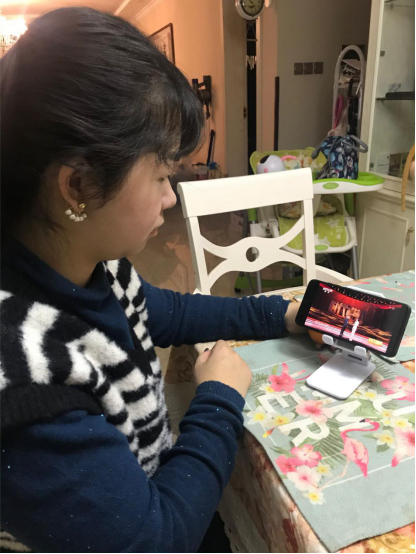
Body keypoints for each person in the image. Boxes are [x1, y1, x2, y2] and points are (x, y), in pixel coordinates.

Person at [0, 8, 305, 554]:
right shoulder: (27, 379)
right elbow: (155, 540)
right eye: (162, 175)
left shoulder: (92, 263)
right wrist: (217, 399)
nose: (171, 197)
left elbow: (171, 313)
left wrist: (282, 313)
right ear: (79, 186)